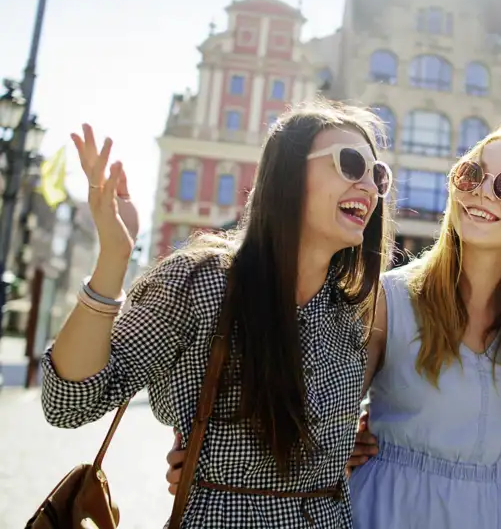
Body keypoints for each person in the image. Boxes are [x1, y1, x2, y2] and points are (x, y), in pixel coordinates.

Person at [166, 120, 501, 528]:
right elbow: (312, 412)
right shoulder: (389, 299)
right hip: (384, 512)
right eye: (472, 173)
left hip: (486, 514)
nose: (481, 191)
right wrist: (218, 453)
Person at [40, 100, 395, 528]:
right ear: (287, 174)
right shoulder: (204, 281)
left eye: (378, 175)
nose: (371, 187)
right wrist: (114, 257)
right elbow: (67, 403)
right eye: (351, 163)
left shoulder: (352, 311)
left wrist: (342, 444)